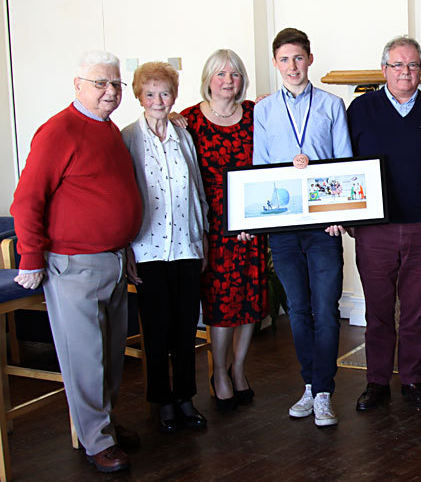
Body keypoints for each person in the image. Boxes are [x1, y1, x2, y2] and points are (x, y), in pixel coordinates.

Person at [10, 51, 142, 472]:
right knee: (84, 357)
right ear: (78, 85)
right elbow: (26, 201)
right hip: (72, 265)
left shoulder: (108, 131)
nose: (110, 91)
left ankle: (103, 424)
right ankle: (96, 440)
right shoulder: (58, 131)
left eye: (116, 84)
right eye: (100, 83)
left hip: (113, 261)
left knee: (109, 355)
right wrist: (29, 258)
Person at [348, 36, 421, 411]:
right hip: (375, 230)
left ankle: (412, 380)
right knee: (378, 312)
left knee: (415, 311)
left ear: (420, 70)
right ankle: (377, 382)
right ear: (384, 70)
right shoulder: (361, 109)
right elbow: (344, 165)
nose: (405, 72)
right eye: (397, 65)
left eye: (412, 65)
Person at [251, 28, 351, 427]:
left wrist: (338, 214)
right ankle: (309, 385)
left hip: (323, 225)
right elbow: (259, 167)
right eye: (284, 60)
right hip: (284, 224)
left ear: (310, 59)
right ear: (276, 64)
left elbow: (344, 162)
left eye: (298, 58)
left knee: (326, 309)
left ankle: (325, 391)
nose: (292, 66)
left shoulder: (331, 104)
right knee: (298, 308)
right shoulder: (263, 110)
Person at [121, 62, 209, 433]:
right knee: (157, 330)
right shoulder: (127, 137)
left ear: (175, 95)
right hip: (147, 249)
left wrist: (201, 232)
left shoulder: (182, 134)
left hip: (186, 245)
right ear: (139, 96)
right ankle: (161, 400)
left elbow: (196, 187)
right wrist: (125, 246)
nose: (158, 100)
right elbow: (123, 196)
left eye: (165, 93)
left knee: (186, 327)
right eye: (151, 93)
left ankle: (185, 397)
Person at [181, 49, 269, 411]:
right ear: (208, 79)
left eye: (234, 74)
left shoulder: (254, 114)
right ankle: (218, 373)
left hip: (251, 221)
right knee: (220, 303)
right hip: (214, 226)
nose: (228, 80)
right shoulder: (188, 119)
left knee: (251, 300)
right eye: (220, 74)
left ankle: (239, 369)